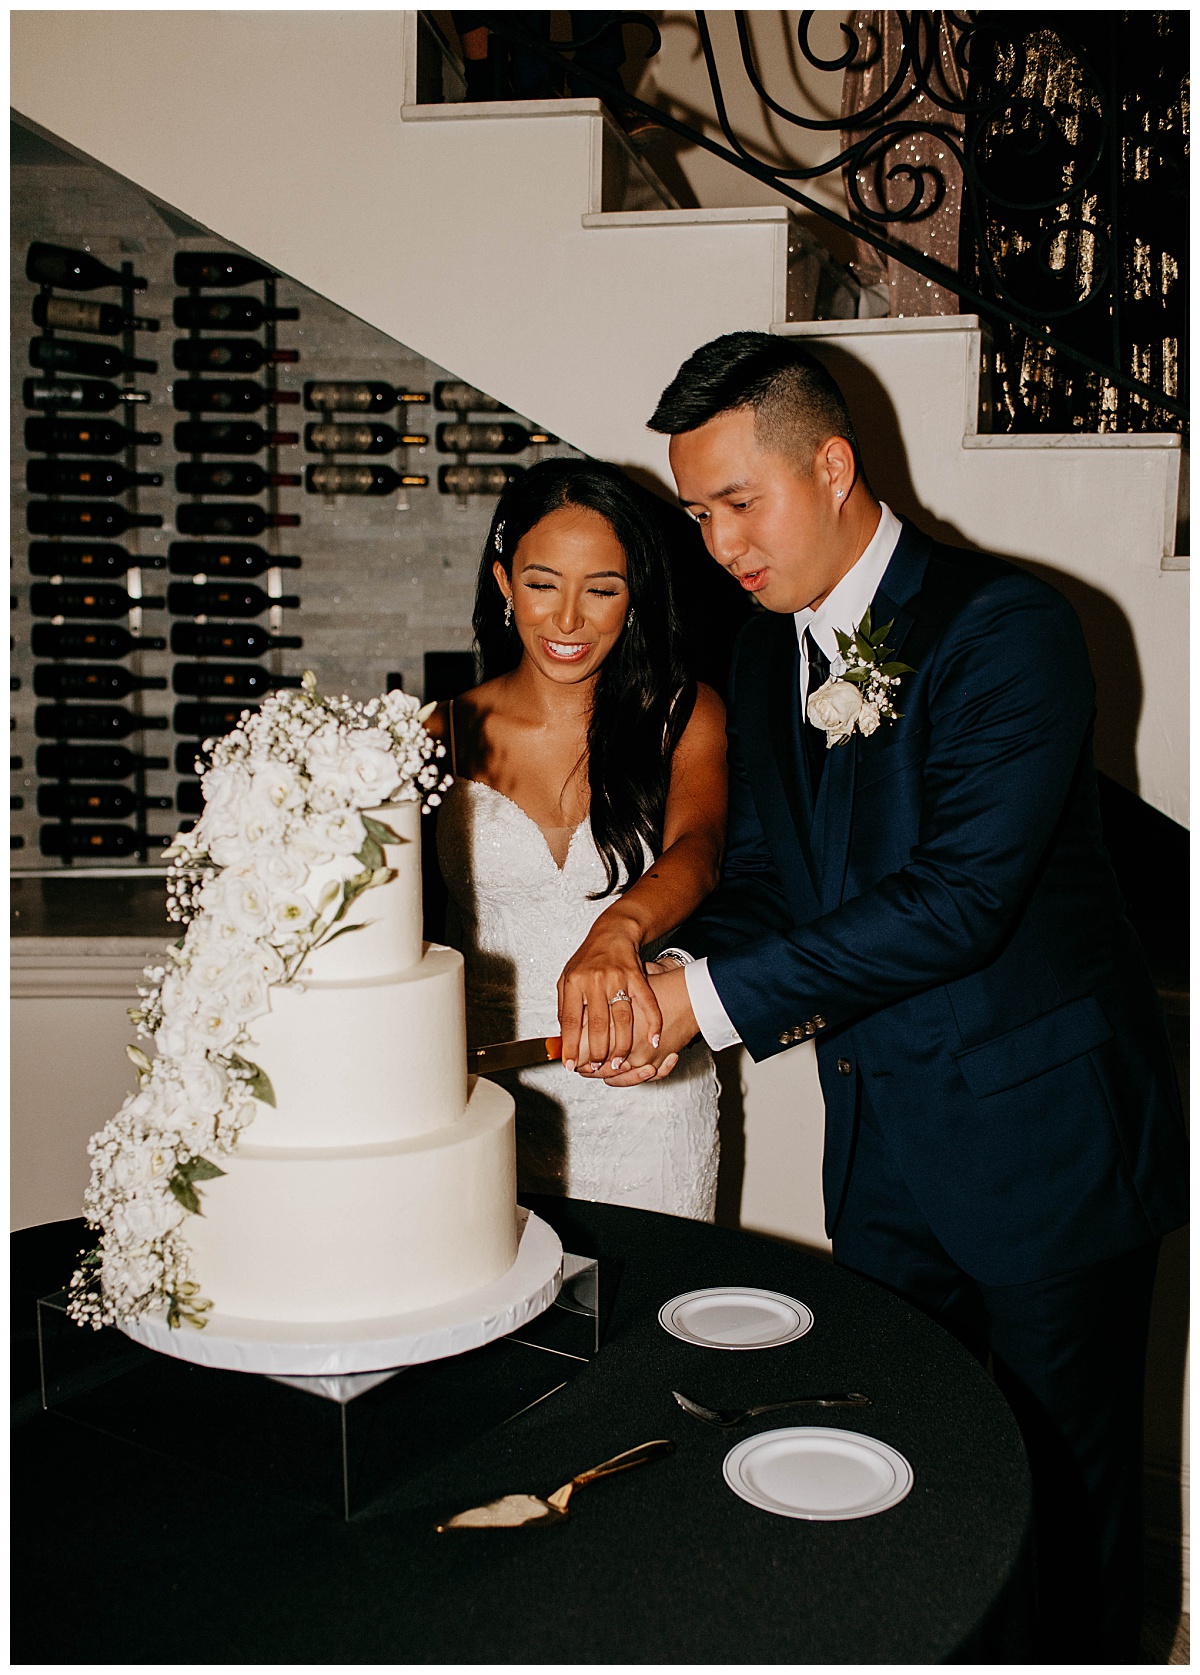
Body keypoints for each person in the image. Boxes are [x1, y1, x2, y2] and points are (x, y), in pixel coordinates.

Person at [592, 331, 1188, 1659]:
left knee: (1072, 1502)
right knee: (891, 1463)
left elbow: (960, 899)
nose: (720, 540)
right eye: (696, 512)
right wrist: (669, 972)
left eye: (739, 501)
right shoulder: (760, 657)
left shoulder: (1007, 627)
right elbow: (766, 883)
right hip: (883, 1151)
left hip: (1051, 1151)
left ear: (835, 461)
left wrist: (716, 1002)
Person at [428, 457, 726, 1220]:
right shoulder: (440, 733)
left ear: (634, 598)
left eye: (601, 589)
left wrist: (616, 929)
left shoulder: (685, 716)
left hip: (647, 1088)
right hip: (486, 1096)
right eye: (541, 583)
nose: (568, 620)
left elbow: (700, 848)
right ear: (503, 583)